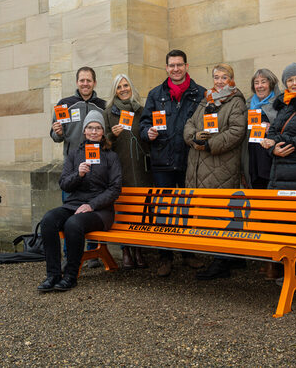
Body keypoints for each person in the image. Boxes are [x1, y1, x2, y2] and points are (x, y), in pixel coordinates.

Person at [37, 111, 122, 292]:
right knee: (49, 220)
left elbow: (115, 189)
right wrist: (79, 173)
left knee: (73, 224)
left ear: (102, 132)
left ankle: (70, 275)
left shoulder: (111, 156)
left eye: (98, 128)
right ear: (84, 131)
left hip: (101, 211)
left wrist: (91, 205)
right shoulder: (75, 154)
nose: (93, 131)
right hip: (74, 204)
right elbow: (64, 184)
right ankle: (53, 274)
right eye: (90, 127)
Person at [139, 49, 206, 277]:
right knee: (163, 211)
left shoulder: (202, 94)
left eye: (179, 64)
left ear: (186, 66)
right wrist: (147, 131)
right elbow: (144, 123)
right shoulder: (155, 94)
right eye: (172, 65)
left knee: (188, 209)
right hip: (163, 162)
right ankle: (165, 256)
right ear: (166, 68)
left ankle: (188, 253)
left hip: (190, 159)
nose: (176, 69)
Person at [183, 63, 247, 280]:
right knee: (208, 214)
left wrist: (210, 144)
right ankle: (224, 258)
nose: (219, 81)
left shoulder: (236, 101)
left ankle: (221, 263)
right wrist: (194, 137)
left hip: (221, 166)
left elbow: (237, 131)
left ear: (231, 79)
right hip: (198, 164)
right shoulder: (206, 100)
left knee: (221, 215)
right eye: (216, 77)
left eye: (224, 77)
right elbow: (189, 124)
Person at [260, 63, 296, 281]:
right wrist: (273, 148)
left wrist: (276, 143)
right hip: (278, 173)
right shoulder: (284, 105)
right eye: (290, 80)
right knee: (278, 223)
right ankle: (282, 270)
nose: (294, 83)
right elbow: (273, 132)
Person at [50, 66, 107, 269]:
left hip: (98, 168)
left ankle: (93, 254)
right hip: (74, 168)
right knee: (70, 211)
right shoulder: (65, 104)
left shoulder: (102, 106)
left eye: (88, 80)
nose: (85, 83)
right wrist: (57, 131)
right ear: (77, 82)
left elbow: (106, 135)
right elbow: (56, 136)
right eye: (82, 80)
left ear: (94, 83)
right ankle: (69, 255)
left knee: (93, 211)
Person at [104, 74, 152, 270]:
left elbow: (147, 134)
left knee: (141, 210)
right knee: (123, 210)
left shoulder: (141, 111)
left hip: (141, 167)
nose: (123, 89)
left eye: (126, 85)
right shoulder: (109, 112)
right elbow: (103, 144)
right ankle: (125, 250)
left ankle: (139, 249)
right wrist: (112, 136)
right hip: (120, 167)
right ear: (114, 91)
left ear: (131, 88)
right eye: (119, 87)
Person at [240, 68, 282, 280]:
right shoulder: (248, 106)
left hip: (271, 165)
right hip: (253, 164)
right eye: (256, 82)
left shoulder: (279, 104)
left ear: (271, 84)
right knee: (259, 216)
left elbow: (284, 130)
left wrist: (271, 127)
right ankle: (265, 259)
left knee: (272, 216)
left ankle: (275, 263)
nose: (259, 86)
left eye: (263, 82)